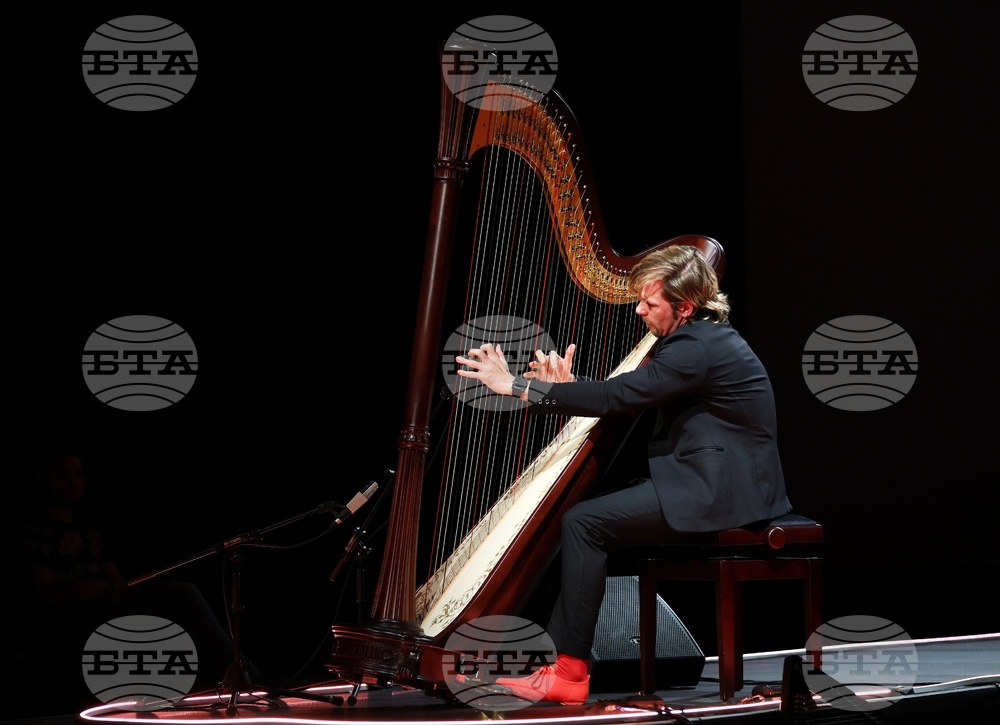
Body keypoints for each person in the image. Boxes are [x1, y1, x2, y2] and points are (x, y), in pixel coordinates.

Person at [455, 244, 792, 705]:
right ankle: (566, 667)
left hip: (719, 491)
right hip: (712, 480)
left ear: (684, 307)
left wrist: (516, 384)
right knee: (589, 518)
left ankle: (569, 672)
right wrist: (566, 388)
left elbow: (616, 398)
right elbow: (623, 393)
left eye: (650, 303)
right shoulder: (705, 338)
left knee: (584, 523)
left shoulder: (695, 348)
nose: (639, 311)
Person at [12, 444, 260, 707]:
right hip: (71, 619)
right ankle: (249, 678)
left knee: (176, 606)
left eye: (78, 474)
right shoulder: (33, 533)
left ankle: (220, 687)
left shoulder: (88, 534)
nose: (73, 483)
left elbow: (120, 584)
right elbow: (48, 597)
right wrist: (92, 590)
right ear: (42, 479)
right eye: (62, 475)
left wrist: (96, 587)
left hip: (107, 604)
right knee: (183, 595)